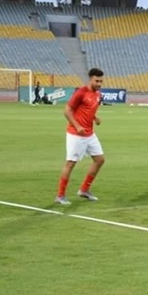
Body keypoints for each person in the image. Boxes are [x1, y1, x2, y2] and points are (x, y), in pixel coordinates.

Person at [54, 68, 106, 205]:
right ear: (90, 79)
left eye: (101, 81)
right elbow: (67, 110)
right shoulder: (81, 92)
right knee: (70, 163)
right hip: (76, 134)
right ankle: (60, 195)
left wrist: (95, 118)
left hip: (89, 134)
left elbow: (87, 109)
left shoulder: (97, 94)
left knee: (100, 160)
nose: (99, 84)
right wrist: (77, 126)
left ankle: (84, 190)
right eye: (97, 81)